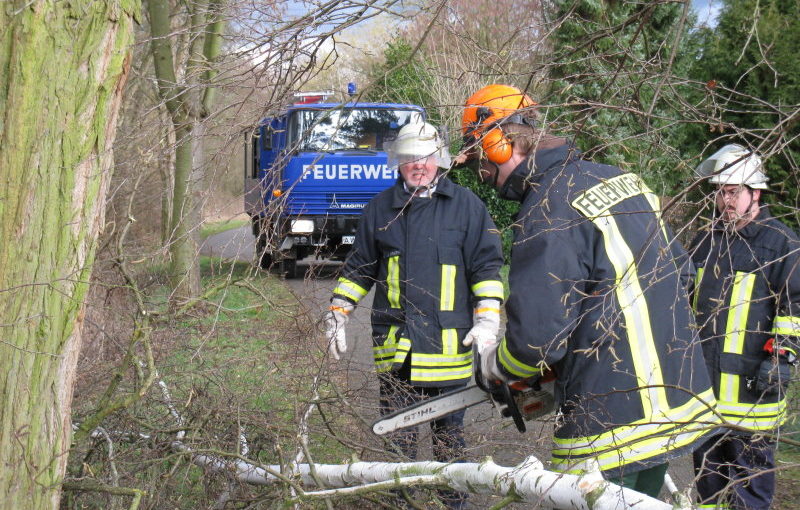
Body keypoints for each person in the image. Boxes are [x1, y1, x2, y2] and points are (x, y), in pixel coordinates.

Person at [457, 84, 720, 498]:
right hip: (675, 403)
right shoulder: (624, 181)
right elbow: (683, 276)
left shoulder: (547, 210)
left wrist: (496, 366)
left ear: (498, 143)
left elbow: (535, 343)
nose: (484, 174)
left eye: (480, 160)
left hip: (610, 427)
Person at [324, 121, 505, 508]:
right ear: (398, 163)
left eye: (425, 157)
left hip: (447, 350)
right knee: (398, 447)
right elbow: (359, 269)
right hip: (397, 351)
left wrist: (488, 318)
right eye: (409, 158)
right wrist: (339, 311)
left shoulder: (468, 207)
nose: (418, 165)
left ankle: (451, 504)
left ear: (439, 160)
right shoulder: (379, 209)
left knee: (450, 444)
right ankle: (400, 503)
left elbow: (487, 268)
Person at [689, 144, 800, 510]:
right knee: (708, 487)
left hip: (754, 397)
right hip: (705, 393)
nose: (725, 200)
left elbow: (796, 306)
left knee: (749, 493)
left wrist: (783, 357)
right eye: (720, 191)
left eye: (733, 191)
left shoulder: (782, 244)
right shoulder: (705, 241)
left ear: (756, 193)